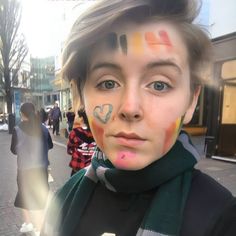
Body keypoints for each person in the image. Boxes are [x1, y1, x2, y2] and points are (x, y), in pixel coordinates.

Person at [41, 1, 236, 236]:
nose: (130, 108)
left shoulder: (220, 217)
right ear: (80, 94)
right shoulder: (62, 201)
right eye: (108, 83)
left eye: (159, 84)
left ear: (191, 100)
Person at [10, 102, 53, 235]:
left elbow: (13, 150)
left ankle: (31, 224)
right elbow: (50, 145)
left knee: (24, 196)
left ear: (22, 114)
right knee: (40, 198)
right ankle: (37, 227)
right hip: (41, 169)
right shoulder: (44, 128)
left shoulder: (17, 129)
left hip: (24, 170)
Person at [67, 108, 96, 176]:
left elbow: (69, 150)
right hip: (92, 169)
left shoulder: (74, 133)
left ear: (82, 119)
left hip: (77, 167)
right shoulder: (97, 133)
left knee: (74, 185)